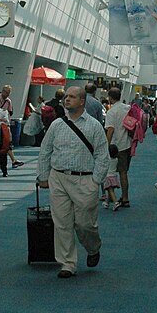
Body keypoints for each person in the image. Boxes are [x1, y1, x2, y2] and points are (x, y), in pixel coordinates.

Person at [37, 85, 106, 279]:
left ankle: (93, 248)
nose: (67, 99)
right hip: (58, 178)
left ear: (82, 101)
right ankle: (67, 263)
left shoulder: (94, 126)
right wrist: (44, 176)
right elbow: (45, 151)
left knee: (85, 224)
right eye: (66, 96)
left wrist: (95, 182)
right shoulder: (57, 125)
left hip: (85, 179)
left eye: (72, 97)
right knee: (62, 223)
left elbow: (102, 156)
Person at [103, 87, 132, 209]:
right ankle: (124, 197)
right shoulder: (128, 108)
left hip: (115, 146)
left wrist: (106, 145)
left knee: (110, 172)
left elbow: (110, 130)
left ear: (110, 97)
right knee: (123, 172)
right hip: (127, 144)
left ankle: (113, 197)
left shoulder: (111, 112)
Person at [0, 84, 24, 169]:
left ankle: (12, 160)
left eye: (9, 93)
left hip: (5, 125)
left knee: (6, 143)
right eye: (6, 92)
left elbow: (10, 112)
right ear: (3, 91)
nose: (7, 94)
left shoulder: (8, 101)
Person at [102, 143, 120, 209]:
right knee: (111, 190)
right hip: (114, 177)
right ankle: (107, 202)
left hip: (108, 177)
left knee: (110, 190)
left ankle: (115, 202)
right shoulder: (116, 160)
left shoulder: (107, 159)